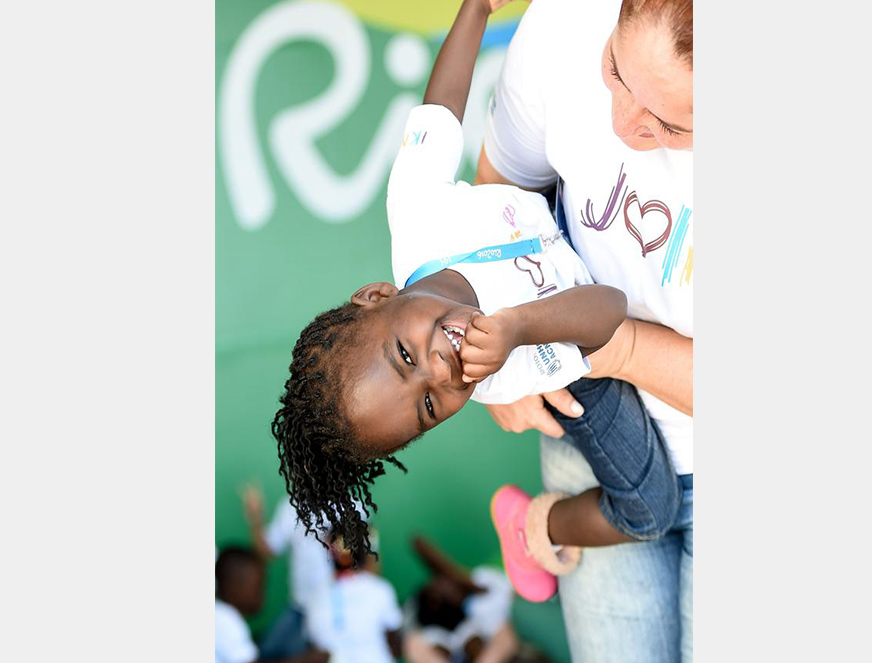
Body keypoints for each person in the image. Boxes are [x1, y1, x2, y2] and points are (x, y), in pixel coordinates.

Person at [270, 0, 682, 599]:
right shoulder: (503, 372)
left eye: (406, 358)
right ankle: (530, 529)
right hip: (580, 350)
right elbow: (607, 309)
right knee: (651, 508)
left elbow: (440, 110)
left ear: (376, 295)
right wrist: (519, 330)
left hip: (560, 229)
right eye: (431, 407)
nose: (442, 371)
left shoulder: (417, 214)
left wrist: (477, 10)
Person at [474, 0, 693, 660]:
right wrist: (500, 371)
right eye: (615, 71)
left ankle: (538, 529)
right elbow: (498, 197)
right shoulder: (566, 20)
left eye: (671, 125)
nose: (625, 125)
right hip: (590, 429)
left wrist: (613, 342)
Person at [241, 487, 335, 660]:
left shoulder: (354, 505)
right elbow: (267, 551)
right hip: (300, 607)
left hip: (337, 609)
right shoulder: (291, 506)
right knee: (268, 654)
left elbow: (370, 561)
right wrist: (256, 518)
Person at [403, 535, 519, 663]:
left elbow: (507, 641)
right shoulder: (419, 612)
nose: (442, 585)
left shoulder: (481, 596)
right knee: (414, 644)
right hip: (437, 632)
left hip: (475, 628)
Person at [215, 546, 328, 663]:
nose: (263, 595)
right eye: (258, 587)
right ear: (235, 588)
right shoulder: (226, 621)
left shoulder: (221, 616)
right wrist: (308, 660)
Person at [305, 531, 404, 663]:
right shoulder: (380, 590)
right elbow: (395, 645)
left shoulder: (315, 597)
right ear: (365, 553)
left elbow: (314, 646)